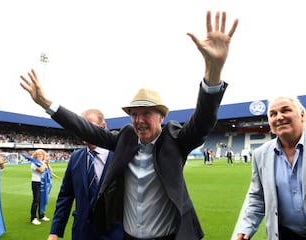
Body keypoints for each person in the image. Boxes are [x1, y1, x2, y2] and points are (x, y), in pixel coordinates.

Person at [20, 10, 238, 240]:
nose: (139, 120)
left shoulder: (175, 139)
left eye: (147, 113)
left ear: (161, 117)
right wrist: (47, 103)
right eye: (134, 114)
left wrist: (213, 73)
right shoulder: (125, 137)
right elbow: (85, 129)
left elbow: (202, 121)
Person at [235, 96, 306, 240]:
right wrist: (246, 228)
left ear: (302, 116)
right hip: (285, 234)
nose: (279, 117)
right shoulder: (261, 154)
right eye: (273, 114)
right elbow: (257, 197)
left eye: (285, 110)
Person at [48, 109, 123, 240]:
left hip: (114, 233)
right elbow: (66, 196)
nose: (85, 131)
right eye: (81, 127)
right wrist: (55, 231)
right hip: (82, 233)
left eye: (90, 126)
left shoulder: (120, 155)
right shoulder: (75, 158)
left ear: (103, 126)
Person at [30, 149, 51, 225]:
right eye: (38, 154)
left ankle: (41, 215)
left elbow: (50, 171)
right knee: (36, 200)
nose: (39, 155)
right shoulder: (34, 163)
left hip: (43, 183)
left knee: (42, 200)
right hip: (36, 183)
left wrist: (47, 164)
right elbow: (41, 170)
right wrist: (45, 163)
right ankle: (33, 218)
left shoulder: (42, 162)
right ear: (35, 155)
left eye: (41, 154)